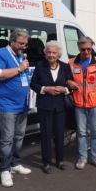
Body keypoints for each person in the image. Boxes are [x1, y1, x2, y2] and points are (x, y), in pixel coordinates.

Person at [0, 28, 32, 187]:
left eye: (25, 44)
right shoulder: (0, 53)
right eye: (21, 43)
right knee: (7, 139)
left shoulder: (21, 56)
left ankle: (15, 164)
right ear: (12, 41)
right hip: (5, 105)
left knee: (19, 136)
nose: (23, 47)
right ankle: (5, 170)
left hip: (22, 105)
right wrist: (19, 68)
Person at [67, 36, 96, 170]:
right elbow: (66, 79)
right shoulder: (71, 63)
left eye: (89, 49)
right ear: (78, 48)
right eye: (83, 49)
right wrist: (68, 82)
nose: (86, 52)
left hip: (95, 104)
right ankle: (82, 157)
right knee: (81, 132)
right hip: (79, 104)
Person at [30, 40, 72, 174]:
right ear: (45, 53)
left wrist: (64, 90)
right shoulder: (40, 65)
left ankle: (60, 160)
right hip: (45, 106)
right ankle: (46, 162)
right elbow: (33, 84)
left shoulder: (65, 67)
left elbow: (71, 85)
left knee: (60, 134)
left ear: (58, 54)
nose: (51, 55)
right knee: (46, 135)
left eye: (54, 52)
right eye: (49, 52)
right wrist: (45, 89)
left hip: (60, 106)